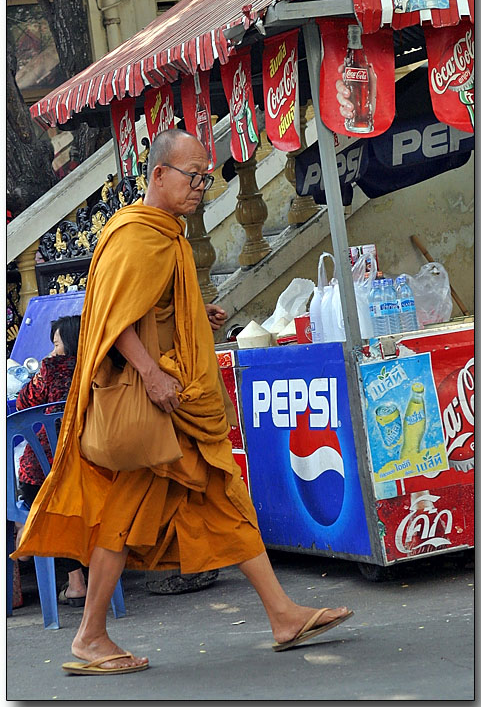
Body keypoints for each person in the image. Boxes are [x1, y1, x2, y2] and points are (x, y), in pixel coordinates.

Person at [13, 129, 352, 675]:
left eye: (205, 177)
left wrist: (195, 311)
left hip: (174, 408)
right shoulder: (136, 235)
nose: (200, 186)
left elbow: (154, 304)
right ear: (158, 176)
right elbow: (113, 319)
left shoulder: (165, 234)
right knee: (171, 503)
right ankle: (91, 635)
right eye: (192, 176)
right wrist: (149, 374)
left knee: (218, 493)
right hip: (157, 407)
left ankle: (281, 615)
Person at [15, 315, 87, 606]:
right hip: (91, 468)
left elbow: (23, 403)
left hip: (47, 475)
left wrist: (44, 367)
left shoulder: (49, 369)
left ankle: (75, 581)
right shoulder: (96, 367)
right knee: (72, 505)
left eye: (56, 343)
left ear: (66, 343)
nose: (53, 349)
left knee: (42, 501)